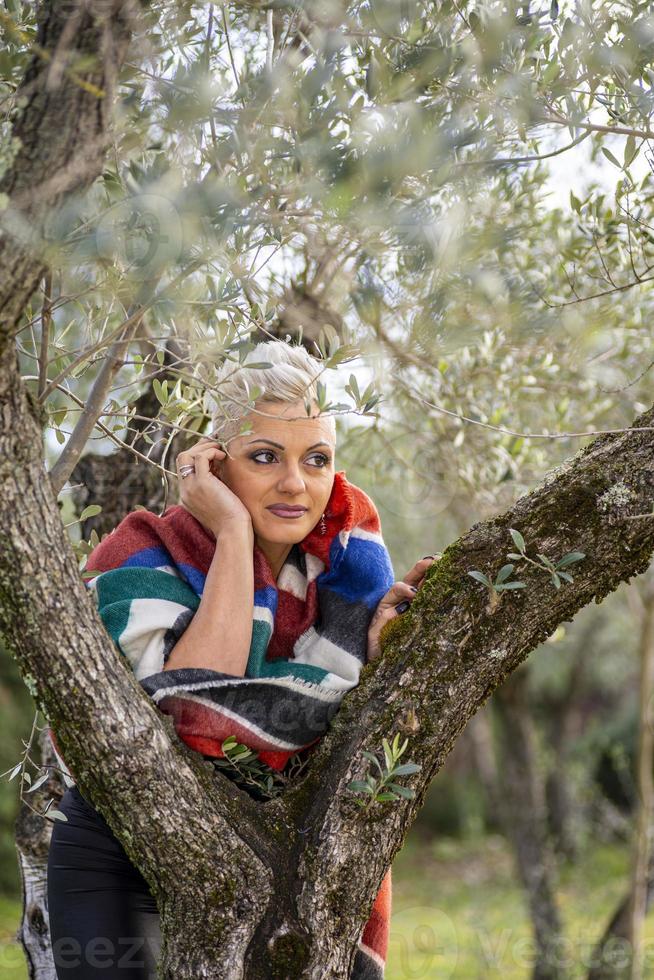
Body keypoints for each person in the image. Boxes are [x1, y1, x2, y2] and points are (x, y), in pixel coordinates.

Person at [46, 339, 437, 978]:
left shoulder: (351, 574)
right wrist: (231, 531)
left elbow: (350, 743)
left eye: (317, 459)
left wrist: (376, 659)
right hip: (118, 851)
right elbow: (192, 703)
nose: (296, 483)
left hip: (280, 850)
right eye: (264, 457)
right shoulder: (145, 553)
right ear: (214, 465)